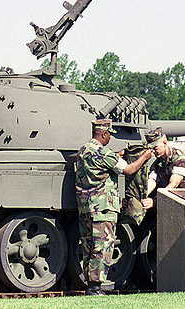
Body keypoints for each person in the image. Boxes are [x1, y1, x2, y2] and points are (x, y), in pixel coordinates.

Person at [74, 118, 152, 296]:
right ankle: (95, 287)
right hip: (103, 208)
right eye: (109, 135)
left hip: (86, 207)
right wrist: (144, 157)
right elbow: (130, 170)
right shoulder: (104, 153)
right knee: (102, 246)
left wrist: (117, 155)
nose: (110, 138)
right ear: (103, 133)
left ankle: (90, 285)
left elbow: (102, 163)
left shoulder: (84, 150)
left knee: (88, 247)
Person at [144, 127, 185, 210]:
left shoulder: (180, 158)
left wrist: (154, 201)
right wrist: (142, 197)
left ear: (164, 143)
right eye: (151, 148)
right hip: (179, 200)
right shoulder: (158, 163)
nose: (153, 151)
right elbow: (152, 181)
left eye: (155, 148)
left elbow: (173, 184)